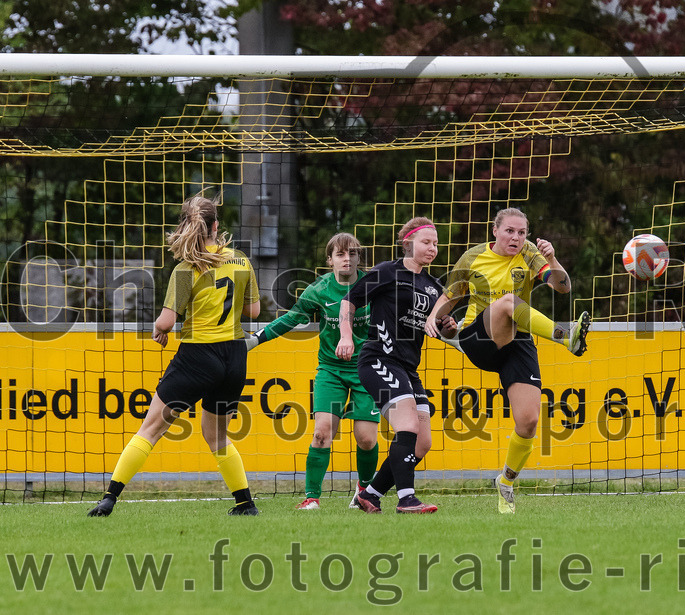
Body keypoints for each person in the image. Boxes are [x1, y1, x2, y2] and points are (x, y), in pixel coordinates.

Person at [88, 192, 261, 517]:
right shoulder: (241, 260)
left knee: (151, 428)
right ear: (216, 225)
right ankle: (245, 503)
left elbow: (166, 321)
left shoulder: (186, 269)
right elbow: (253, 310)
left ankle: (110, 498)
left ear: (188, 226)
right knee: (217, 437)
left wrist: (160, 329)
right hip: (235, 357)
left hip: (198, 356)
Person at [425, 207, 590, 514]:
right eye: (510, 231)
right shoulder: (473, 257)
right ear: (495, 231)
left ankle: (506, 482)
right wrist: (433, 318)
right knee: (508, 303)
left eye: (522, 233)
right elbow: (451, 295)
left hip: (517, 339)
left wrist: (552, 259)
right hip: (477, 338)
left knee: (528, 422)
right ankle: (566, 338)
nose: (516, 238)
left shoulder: (529, 254)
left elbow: (563, 287)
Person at [246, 233, 378, 510]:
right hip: (331, 370)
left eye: (352, 253)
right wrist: (255, 340)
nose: (347, 259)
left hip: (367, 369)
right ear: (329, 259)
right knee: (322, 433)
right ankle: (311, 498)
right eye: (340, 254)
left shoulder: (374, 284)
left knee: (366, 439)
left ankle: (364, 493)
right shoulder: (319, 290)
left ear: (358, 258)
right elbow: (291, 319)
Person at [336, 216, 456, 514]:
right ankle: (407, 499)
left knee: (422, 443)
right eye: (426, 242)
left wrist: (449, 326)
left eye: (436, 244)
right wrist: (346, 336)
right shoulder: (387, 271)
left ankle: (371, 494)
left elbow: (442, 327)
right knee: (409, 426)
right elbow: (348, 301)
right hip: (378, 358)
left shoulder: (433, 286)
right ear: (408, 243)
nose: (432, 248)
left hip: (408, 368)